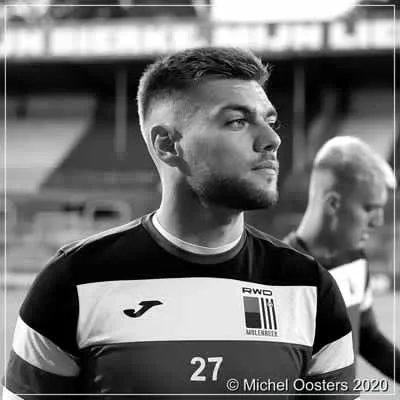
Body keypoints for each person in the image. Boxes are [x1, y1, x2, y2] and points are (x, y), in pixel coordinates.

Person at [3, 47, 358, 399]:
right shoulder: (74, 280)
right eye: (237, 121)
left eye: (270, 120)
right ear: (167, 144)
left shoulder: (310, 286)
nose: (272, 140)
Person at [284, 135, 400, 385]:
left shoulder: (357, 260)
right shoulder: (277, 273)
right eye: (369, 208)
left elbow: (367, 338)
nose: (378, 221)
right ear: (333, 203)